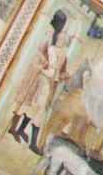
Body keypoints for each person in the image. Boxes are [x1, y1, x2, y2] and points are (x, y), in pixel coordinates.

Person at [8, 10, 69, 155]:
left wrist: (61, 74)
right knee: (26, 101)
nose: (61, 28)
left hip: (46, 77)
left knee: (34, 107)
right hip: (37, 73)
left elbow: (60, 68)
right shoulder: (49, 36)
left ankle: (20, 129)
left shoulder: (60, 47)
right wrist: (43, 64)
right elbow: (40, 53)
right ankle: (14, 129)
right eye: (60, 23)